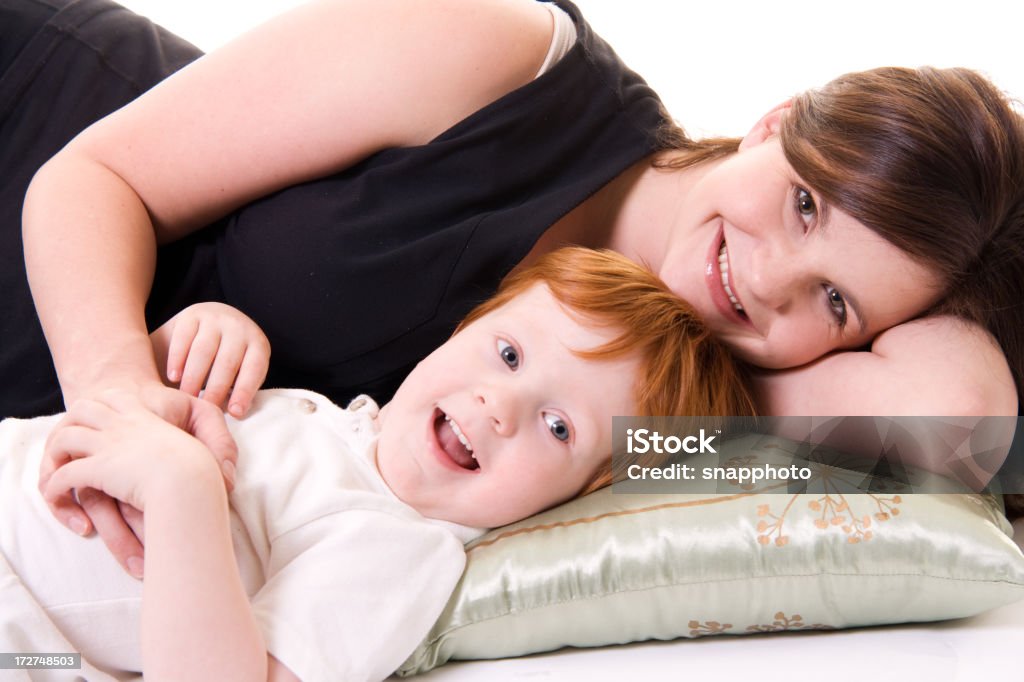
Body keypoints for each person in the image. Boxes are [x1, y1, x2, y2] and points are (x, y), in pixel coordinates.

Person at [3, 0, 1021, 566]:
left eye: (835, 303)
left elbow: (963, 418)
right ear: (778, 118)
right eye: (805, 204)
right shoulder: (510, 51)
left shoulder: (654, 404)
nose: (763, 278)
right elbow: (95, 180)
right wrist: (115, 394)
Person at [0, 247, 756, 681]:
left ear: (582, 494)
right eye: (509, 352)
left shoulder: (402, 550)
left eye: (559, 426)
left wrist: (181, 489)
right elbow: (132, 415)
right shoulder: (336, 420)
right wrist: (191, 342)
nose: (501, 404)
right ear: (468, 325)